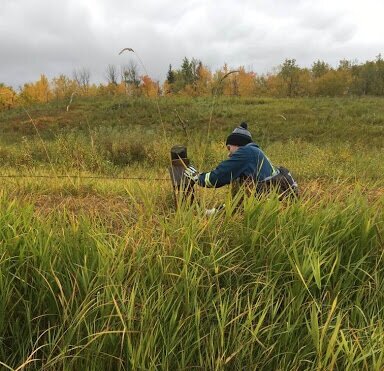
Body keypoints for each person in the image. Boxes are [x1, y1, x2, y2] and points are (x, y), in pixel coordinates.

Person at [183, 122, 298, 201]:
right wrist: (216, 211)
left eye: (229, 148)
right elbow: (243, 199)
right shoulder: (255, 153)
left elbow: (217, 177)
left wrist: (197, 176)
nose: (228, 154)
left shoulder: (246, 152)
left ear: (237, 144)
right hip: (277, 203)